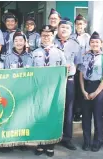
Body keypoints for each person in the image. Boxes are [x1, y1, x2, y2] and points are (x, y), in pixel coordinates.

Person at [32, 25, 66, 157]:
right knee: (39, 117)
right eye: (44, 35)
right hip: (39, 90)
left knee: (52, 117)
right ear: (40, 37)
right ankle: (40, 144)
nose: (46, 37)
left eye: (49, 35)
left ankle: (50, 145)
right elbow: (30, 72)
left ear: (53, 36)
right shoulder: (35, 53)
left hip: (54, 91)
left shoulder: (59, 53)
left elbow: (65, 72)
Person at [78, 31, 103, 152]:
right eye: (92, 42)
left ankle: (97, 141)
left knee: (98, 117)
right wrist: (83, 91)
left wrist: (95, 93)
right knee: (86, 117)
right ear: (89, 43)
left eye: (97, 42)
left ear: (101, 44)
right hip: (86, 87)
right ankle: (86, 141)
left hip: (99, 89)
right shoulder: (84, 56)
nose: (94, 44)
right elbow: (81, 75)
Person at [53, 18, 83, 151]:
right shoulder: (51, 41)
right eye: (62, 27)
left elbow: (77, 62)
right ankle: (51, 136)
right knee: (53, 109)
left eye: (67, 28)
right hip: (52, 81)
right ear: (58, 28)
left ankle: (67, 138)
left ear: (71, 30)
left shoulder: (75, 44)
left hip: (69, 80)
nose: (64, 29)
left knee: (68, 110)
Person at [71, 14, 90, 122]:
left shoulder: (87, 37)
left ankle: (80, 112)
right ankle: (74, 111)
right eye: (77, 24)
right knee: (73, 90)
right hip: (72, 67)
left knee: (81, 90)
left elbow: (87, 52)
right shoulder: (72, 36)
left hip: (82, 67)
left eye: (81, 24)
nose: (79, 26)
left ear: (85, 25)